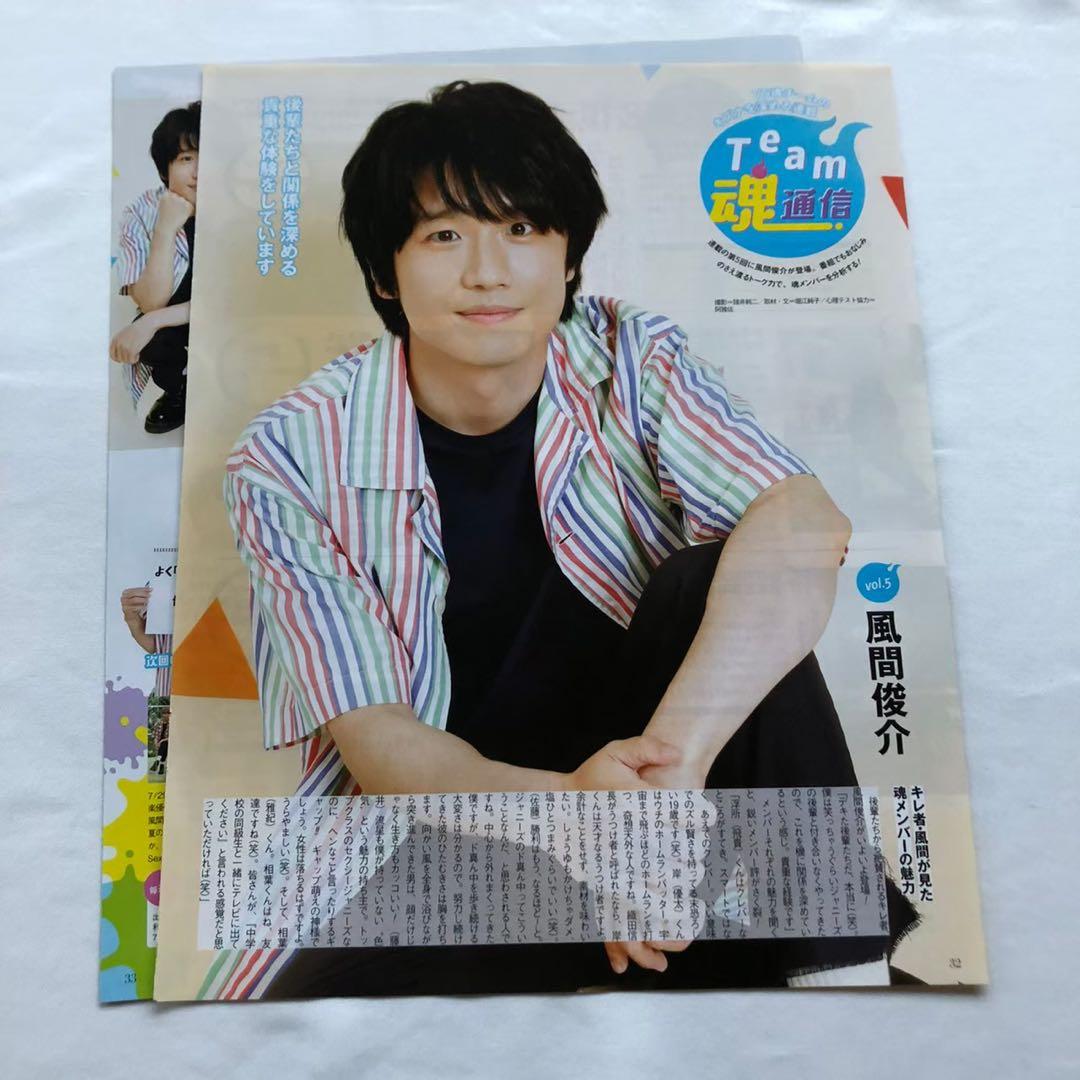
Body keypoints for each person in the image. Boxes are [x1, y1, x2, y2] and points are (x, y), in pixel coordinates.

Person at [210, 80, 917, 1000]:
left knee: (715, 574)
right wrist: (579, 816)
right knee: (308, 1016)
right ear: (386, 272)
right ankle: (723, 954)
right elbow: (380, 740)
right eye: (444, 236)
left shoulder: (632, 355)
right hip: (482, 826)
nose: (488, 272)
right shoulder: (290, 456)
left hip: (677, 801)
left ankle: (843, 978)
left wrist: (668, 777)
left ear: (569, 255)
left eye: (522, 229)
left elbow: (802, 521)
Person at [109, 101, 200, 435]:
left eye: (208, 157)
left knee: (148, 327)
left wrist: (152, 320)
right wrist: (165, 227)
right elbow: (151, 302)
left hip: (231, 319)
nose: (199, 171)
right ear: (165, 169)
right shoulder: (140, 211)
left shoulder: (241, 209)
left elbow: (231, 300)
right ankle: (180, 389)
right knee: (153, 342)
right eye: (186, 158)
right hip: (180, 321)